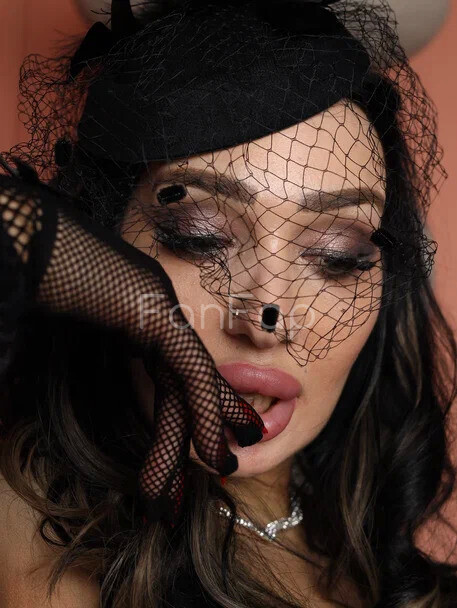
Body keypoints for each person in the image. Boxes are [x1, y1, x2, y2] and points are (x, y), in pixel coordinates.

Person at [1, 0, 457, 606]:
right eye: (198, 237)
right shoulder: (20, 528)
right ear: (100, 237)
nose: (267, 315)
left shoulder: (423, 590)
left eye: (337, 255)